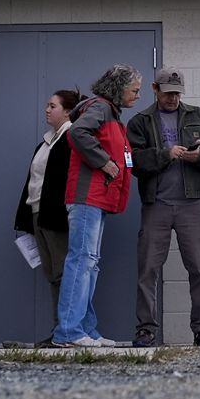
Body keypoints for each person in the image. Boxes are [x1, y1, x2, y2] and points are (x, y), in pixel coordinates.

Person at [127, 67, 200, 348]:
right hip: (156, 204)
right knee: (147, 269)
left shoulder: (198, 116)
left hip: (191, 204)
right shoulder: (140, 121)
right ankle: (145, 330)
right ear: (155, 90)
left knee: (199, 268)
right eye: (168, 93)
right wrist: (164, 154)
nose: (173, 98)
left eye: (177, 93)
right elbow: (131, 160)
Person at [53, 64, 142, 348]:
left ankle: (85, 329)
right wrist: (104, 162)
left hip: (97, 200)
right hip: (86, 198)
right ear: (119, 88)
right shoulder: (100, 109)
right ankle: (68, 332)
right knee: (81, 261)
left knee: (89, 264)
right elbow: (77, 133)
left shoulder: (111, 114)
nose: (137, 96)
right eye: (135, 90)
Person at [12, 89, 81, 342]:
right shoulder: (44, 143)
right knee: (52, 274)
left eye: (53, 106)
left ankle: (68, 331)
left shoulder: (72, 138)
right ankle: (59, 330)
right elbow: (33, 181)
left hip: (56, 215)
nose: (47, 110)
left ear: (67, 111)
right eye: (47, 105)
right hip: (37, 213)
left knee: (63, 272)